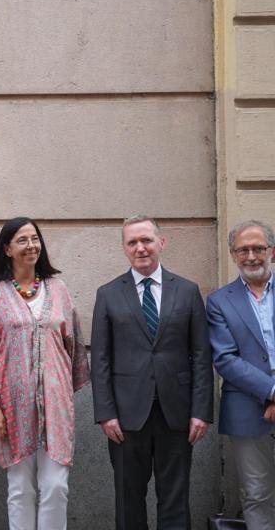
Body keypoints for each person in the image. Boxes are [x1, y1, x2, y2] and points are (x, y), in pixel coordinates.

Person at [0, 217, 90, 530]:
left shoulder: (58, 289)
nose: (31, 245)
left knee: (56, 485)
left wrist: (63, 387)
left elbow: (73, 341)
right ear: (7, 248)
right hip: (11, 405)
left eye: (35, 239)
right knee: (20, 487)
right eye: (22, 240)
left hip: (55, 401)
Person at [91, 215, 213, 530]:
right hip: (126, 417)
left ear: (161, 243)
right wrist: (105, 414)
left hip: (178, 413)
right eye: (133, 242)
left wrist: (201, 411)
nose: (141, 248)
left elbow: (201, 355)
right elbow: (101, 359)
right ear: (124, 248)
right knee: (128, 499)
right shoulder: (108, 294)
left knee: (175, 497)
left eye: (146, 240)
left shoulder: (187, 291)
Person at [207, 219, 275, 529]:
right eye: (243, 250)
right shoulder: (220, 301)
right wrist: (271, 391)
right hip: (247, 408)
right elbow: (225, 359)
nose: (251, 256)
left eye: (258, 248)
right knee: (257, 492)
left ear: (271, 251)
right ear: (234, 255)